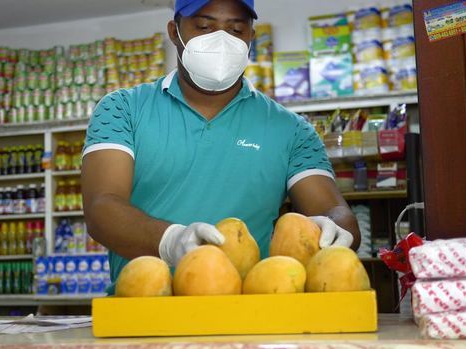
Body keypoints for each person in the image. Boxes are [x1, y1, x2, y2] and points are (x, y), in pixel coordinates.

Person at [81, 0, 360, 286]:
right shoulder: (123, 109)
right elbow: (101, 208)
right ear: (174, 32)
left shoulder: (291, 129)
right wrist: (171, 240)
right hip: (143, 310)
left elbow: (334, 210)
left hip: (252, 315)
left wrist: (335, 229)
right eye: (204, 26)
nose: (221, 40)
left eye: (236, 29)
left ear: (251, 36)